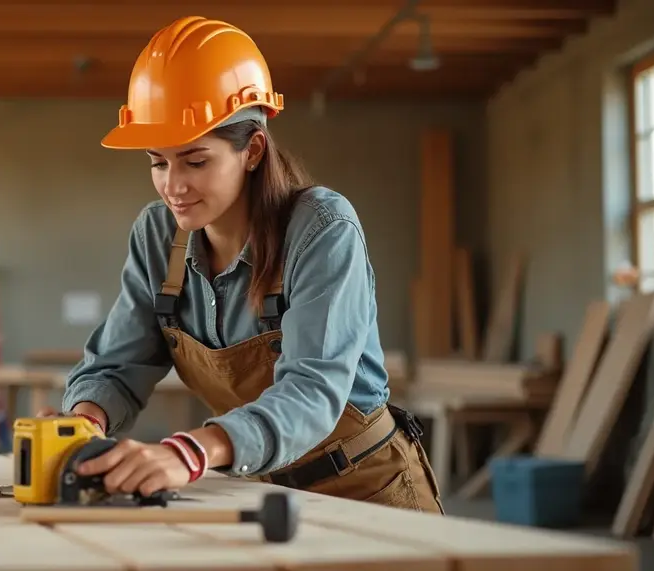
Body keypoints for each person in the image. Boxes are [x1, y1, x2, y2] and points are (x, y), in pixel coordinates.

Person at [42, 16, 444, 514]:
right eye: (157, 162)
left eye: (195, 161)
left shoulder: (321, 228)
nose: (173, 186)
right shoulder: (156, 235)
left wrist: (191, 452)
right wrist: (85, 421)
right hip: (262, 491)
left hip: (368, 491)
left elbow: (312, 390)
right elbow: (117, 365)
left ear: (251, 149)